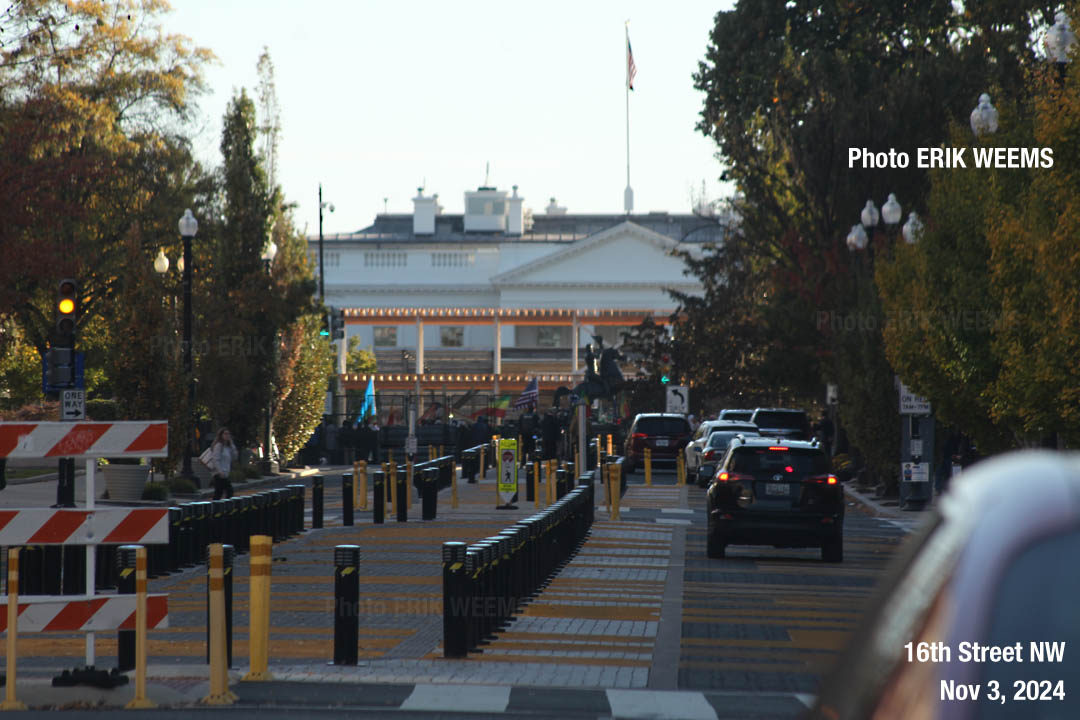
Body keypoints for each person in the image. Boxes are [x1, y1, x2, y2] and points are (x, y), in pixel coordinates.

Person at [210, 427, 238, 499]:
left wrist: (232, 444)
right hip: (219, 473)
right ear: (221, 435)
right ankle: (220, 507)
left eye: (228, 434)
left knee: (219, 492)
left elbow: (234, 456)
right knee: (229, 491)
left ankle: (217, 507)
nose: (227, 436)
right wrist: (220, 471)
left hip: (225, 472)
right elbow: (215, 459)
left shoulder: (228, 447)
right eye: (225, 434)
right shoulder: (219, 446)